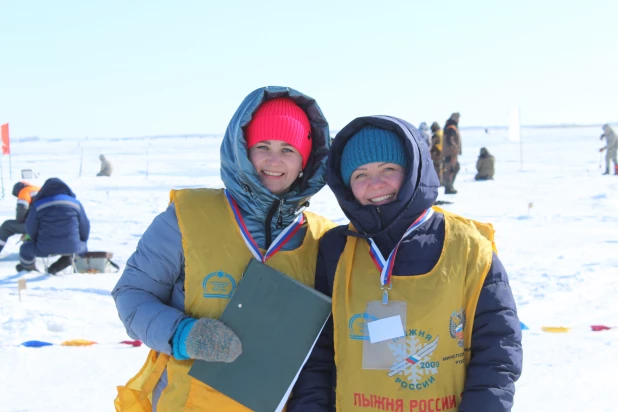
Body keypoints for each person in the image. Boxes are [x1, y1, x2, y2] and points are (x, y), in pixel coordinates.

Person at [112, 86, 335, 411]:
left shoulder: (322, 238)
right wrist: (182, 334)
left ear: (305, 159)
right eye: (262, 146)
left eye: (288, 149)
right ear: (243, 150)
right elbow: (132, 295)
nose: (274, 160)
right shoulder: (188, 216)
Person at [288, 117, 522, 412]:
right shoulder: (336, 248)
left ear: (413, 170)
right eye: (360, 174)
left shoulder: (469, 247)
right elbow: (317, 354)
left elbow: (497, 354)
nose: (375, 184)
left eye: (389, 169)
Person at [16, 178, 90, 274]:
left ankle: (30, 270)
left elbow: (30, 227)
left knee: (24, 249)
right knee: (82, 248)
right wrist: (80, 240)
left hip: (43, 247)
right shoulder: (75, 204)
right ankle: (57, 266)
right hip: (71, 246)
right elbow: (85, 227)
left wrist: (35, 239)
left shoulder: (38, 205)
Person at [0, 181, 40, 254]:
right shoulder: (40, 189)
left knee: (6, 226)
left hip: (37, 224)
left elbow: (21, 211)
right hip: (49, 224)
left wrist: (20, 222)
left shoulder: (24, 191)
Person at [442, 112, 461, 194]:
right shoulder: (451, 127)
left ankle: (449, 186)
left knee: (453, 168)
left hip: (449, 152)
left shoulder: (449, 126)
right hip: (451, 153)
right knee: (451, 169)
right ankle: (448, 187)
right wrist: (455, 148)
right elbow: (450, 140)